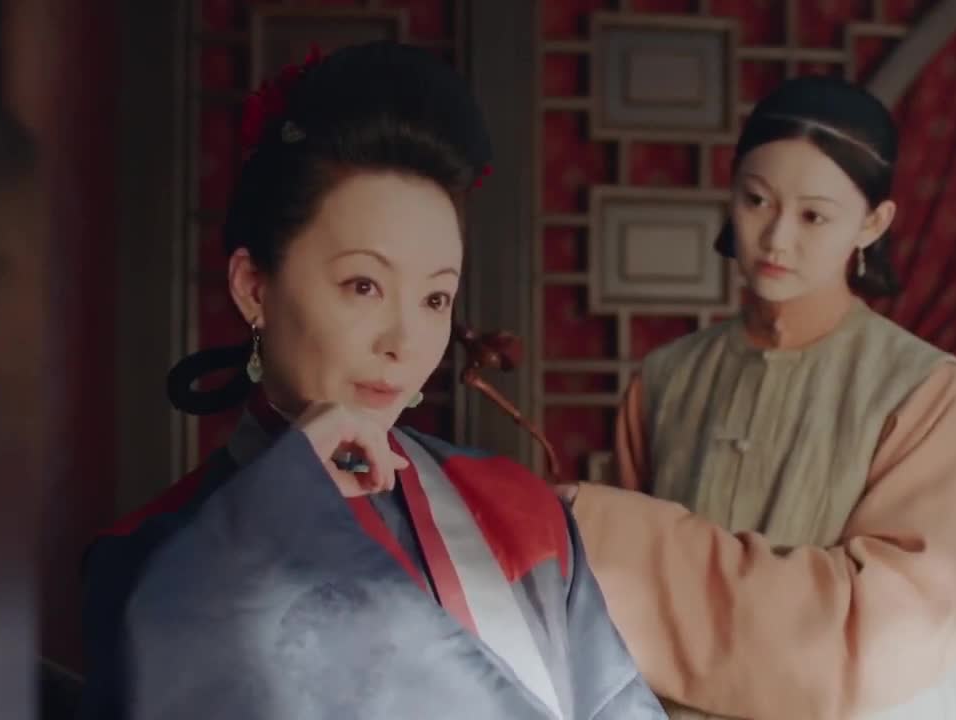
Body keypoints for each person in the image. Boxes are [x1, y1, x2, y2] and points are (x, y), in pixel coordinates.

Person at [78, 42, 664, 720]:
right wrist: (282, 500)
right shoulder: (154, 556)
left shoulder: (518, 510)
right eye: (363, 285)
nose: (403, 342)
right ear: (254, 287)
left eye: (435, 299)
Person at [564, 76, 956, 719]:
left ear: (873, 223)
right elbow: (616, 605)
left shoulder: (923, 388)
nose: (776, 238)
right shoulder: (666, 379)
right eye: (756, 200)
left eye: (814, 216)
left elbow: (895, 627)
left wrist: (627, 536)